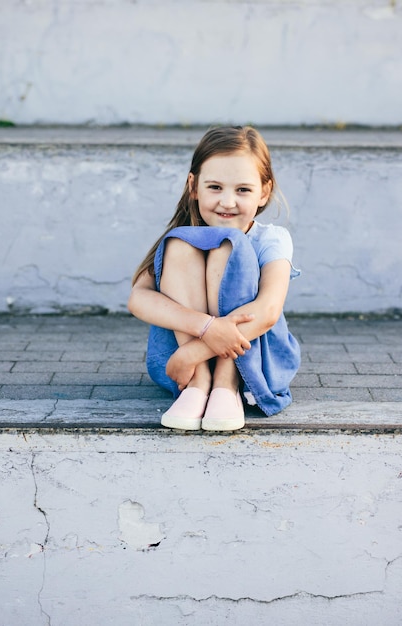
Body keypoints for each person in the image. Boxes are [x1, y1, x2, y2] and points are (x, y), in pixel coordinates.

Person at [128, 125, 301, 432]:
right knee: (182, 243)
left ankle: (225, 383)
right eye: (215, 187)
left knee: (229, 244)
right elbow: (139, 299)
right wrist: (206, 328)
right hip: (179, 366)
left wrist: (195, 352)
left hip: (253, 363)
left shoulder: (272, 239)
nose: (228, 201)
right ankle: (199, 383)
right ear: (193, 186)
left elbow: (268, 310)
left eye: (243, 190)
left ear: (264, 192)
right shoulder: (177, 240)